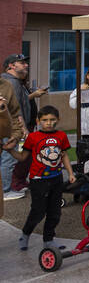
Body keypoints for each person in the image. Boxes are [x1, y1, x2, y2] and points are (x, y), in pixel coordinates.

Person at [7, 105, 74, 251]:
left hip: (56, 179)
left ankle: (48, 240)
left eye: (52, 120)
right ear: (38, 121)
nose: (48, 123)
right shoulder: (33, 137)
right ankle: (25, 234)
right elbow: (23, 156)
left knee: (55, 212)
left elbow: (64, 156)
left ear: (58, 120)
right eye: (45, 120)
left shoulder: (61, 136)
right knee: (38, 211)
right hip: (38, 181)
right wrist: (10, 150)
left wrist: (70, 173)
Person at [0, 53, 42, 201]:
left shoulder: (15, 82)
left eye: (26, 62)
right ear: (11, 66)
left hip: (12, 127)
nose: (26, 65)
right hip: (10, 128)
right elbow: (12, 110)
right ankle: (5, 191)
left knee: (8, 157)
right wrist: (22, 129)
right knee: (8, 158)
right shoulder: (9, 82)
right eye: (21, 63)